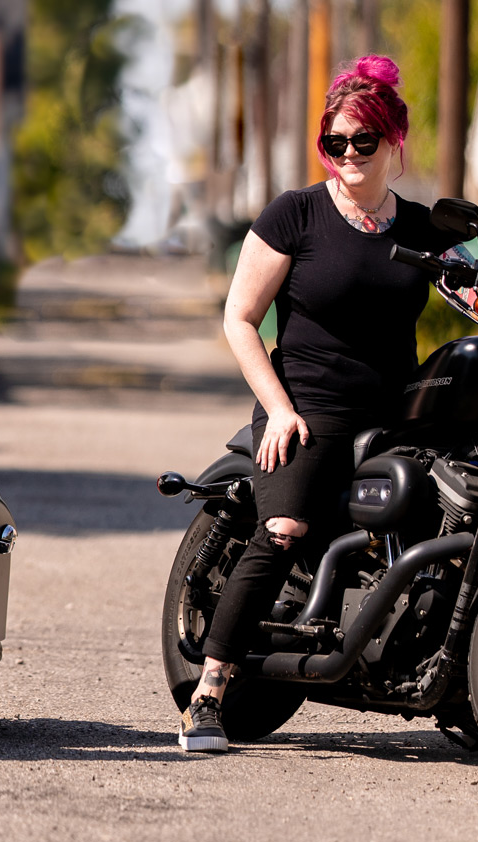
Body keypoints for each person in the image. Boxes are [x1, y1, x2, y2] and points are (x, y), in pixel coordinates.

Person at [178, 54, 439, 755]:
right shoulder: (294, 214)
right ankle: (208, 691)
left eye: (363, 141)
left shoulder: (420, 228)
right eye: (335, 142)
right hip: (308, 404)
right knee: (286, 526)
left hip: (395, 410)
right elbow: (238, 318)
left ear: (394, 143)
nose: (348, 154)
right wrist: (279, 408)